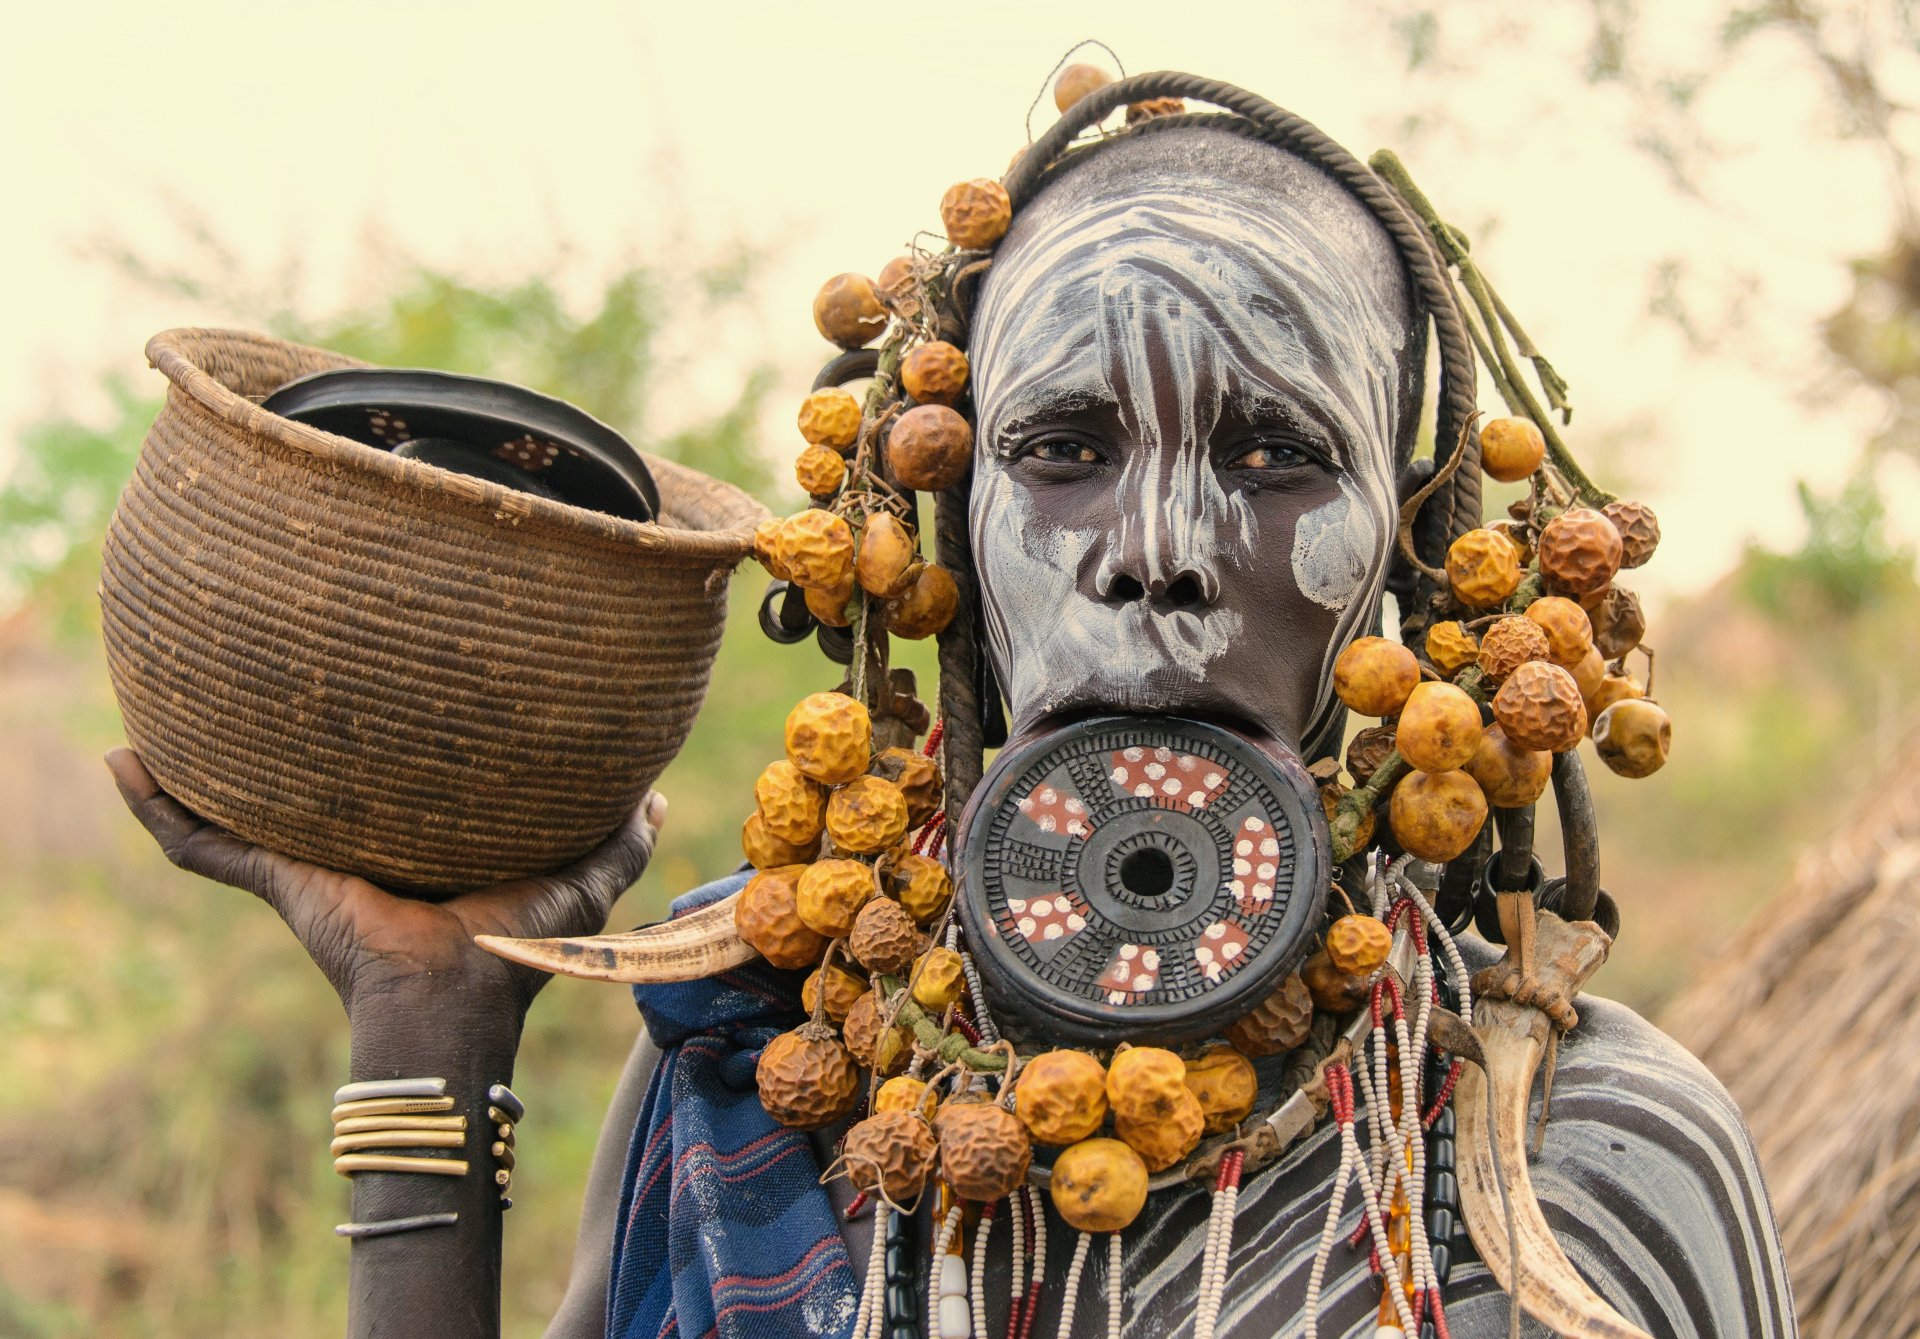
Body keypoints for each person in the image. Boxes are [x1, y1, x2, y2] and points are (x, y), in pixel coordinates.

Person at [108, 71, 1795, 1338]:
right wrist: (430, 1020)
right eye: (1062, 452)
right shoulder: (766, 1062)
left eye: (1280, 455)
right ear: (944, 523)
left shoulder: (1590, 1173)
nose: (1158, 558)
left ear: (1417, 546)